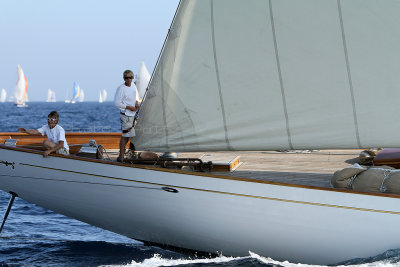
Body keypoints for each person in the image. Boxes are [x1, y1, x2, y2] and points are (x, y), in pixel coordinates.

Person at [114, 69, 140, 162]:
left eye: (130, 77)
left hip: (133, 114)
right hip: (125, 115)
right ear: (123, 78)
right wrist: (129, 107)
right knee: (125, 135)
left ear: (132, 78)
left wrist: (136, 102)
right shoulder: (121, 88)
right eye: (126, 78)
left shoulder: (133, 85)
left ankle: (131, 153)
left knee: (130, 135)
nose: (128, 79)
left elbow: (136, 96)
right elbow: (117, 103)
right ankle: (121, 156)